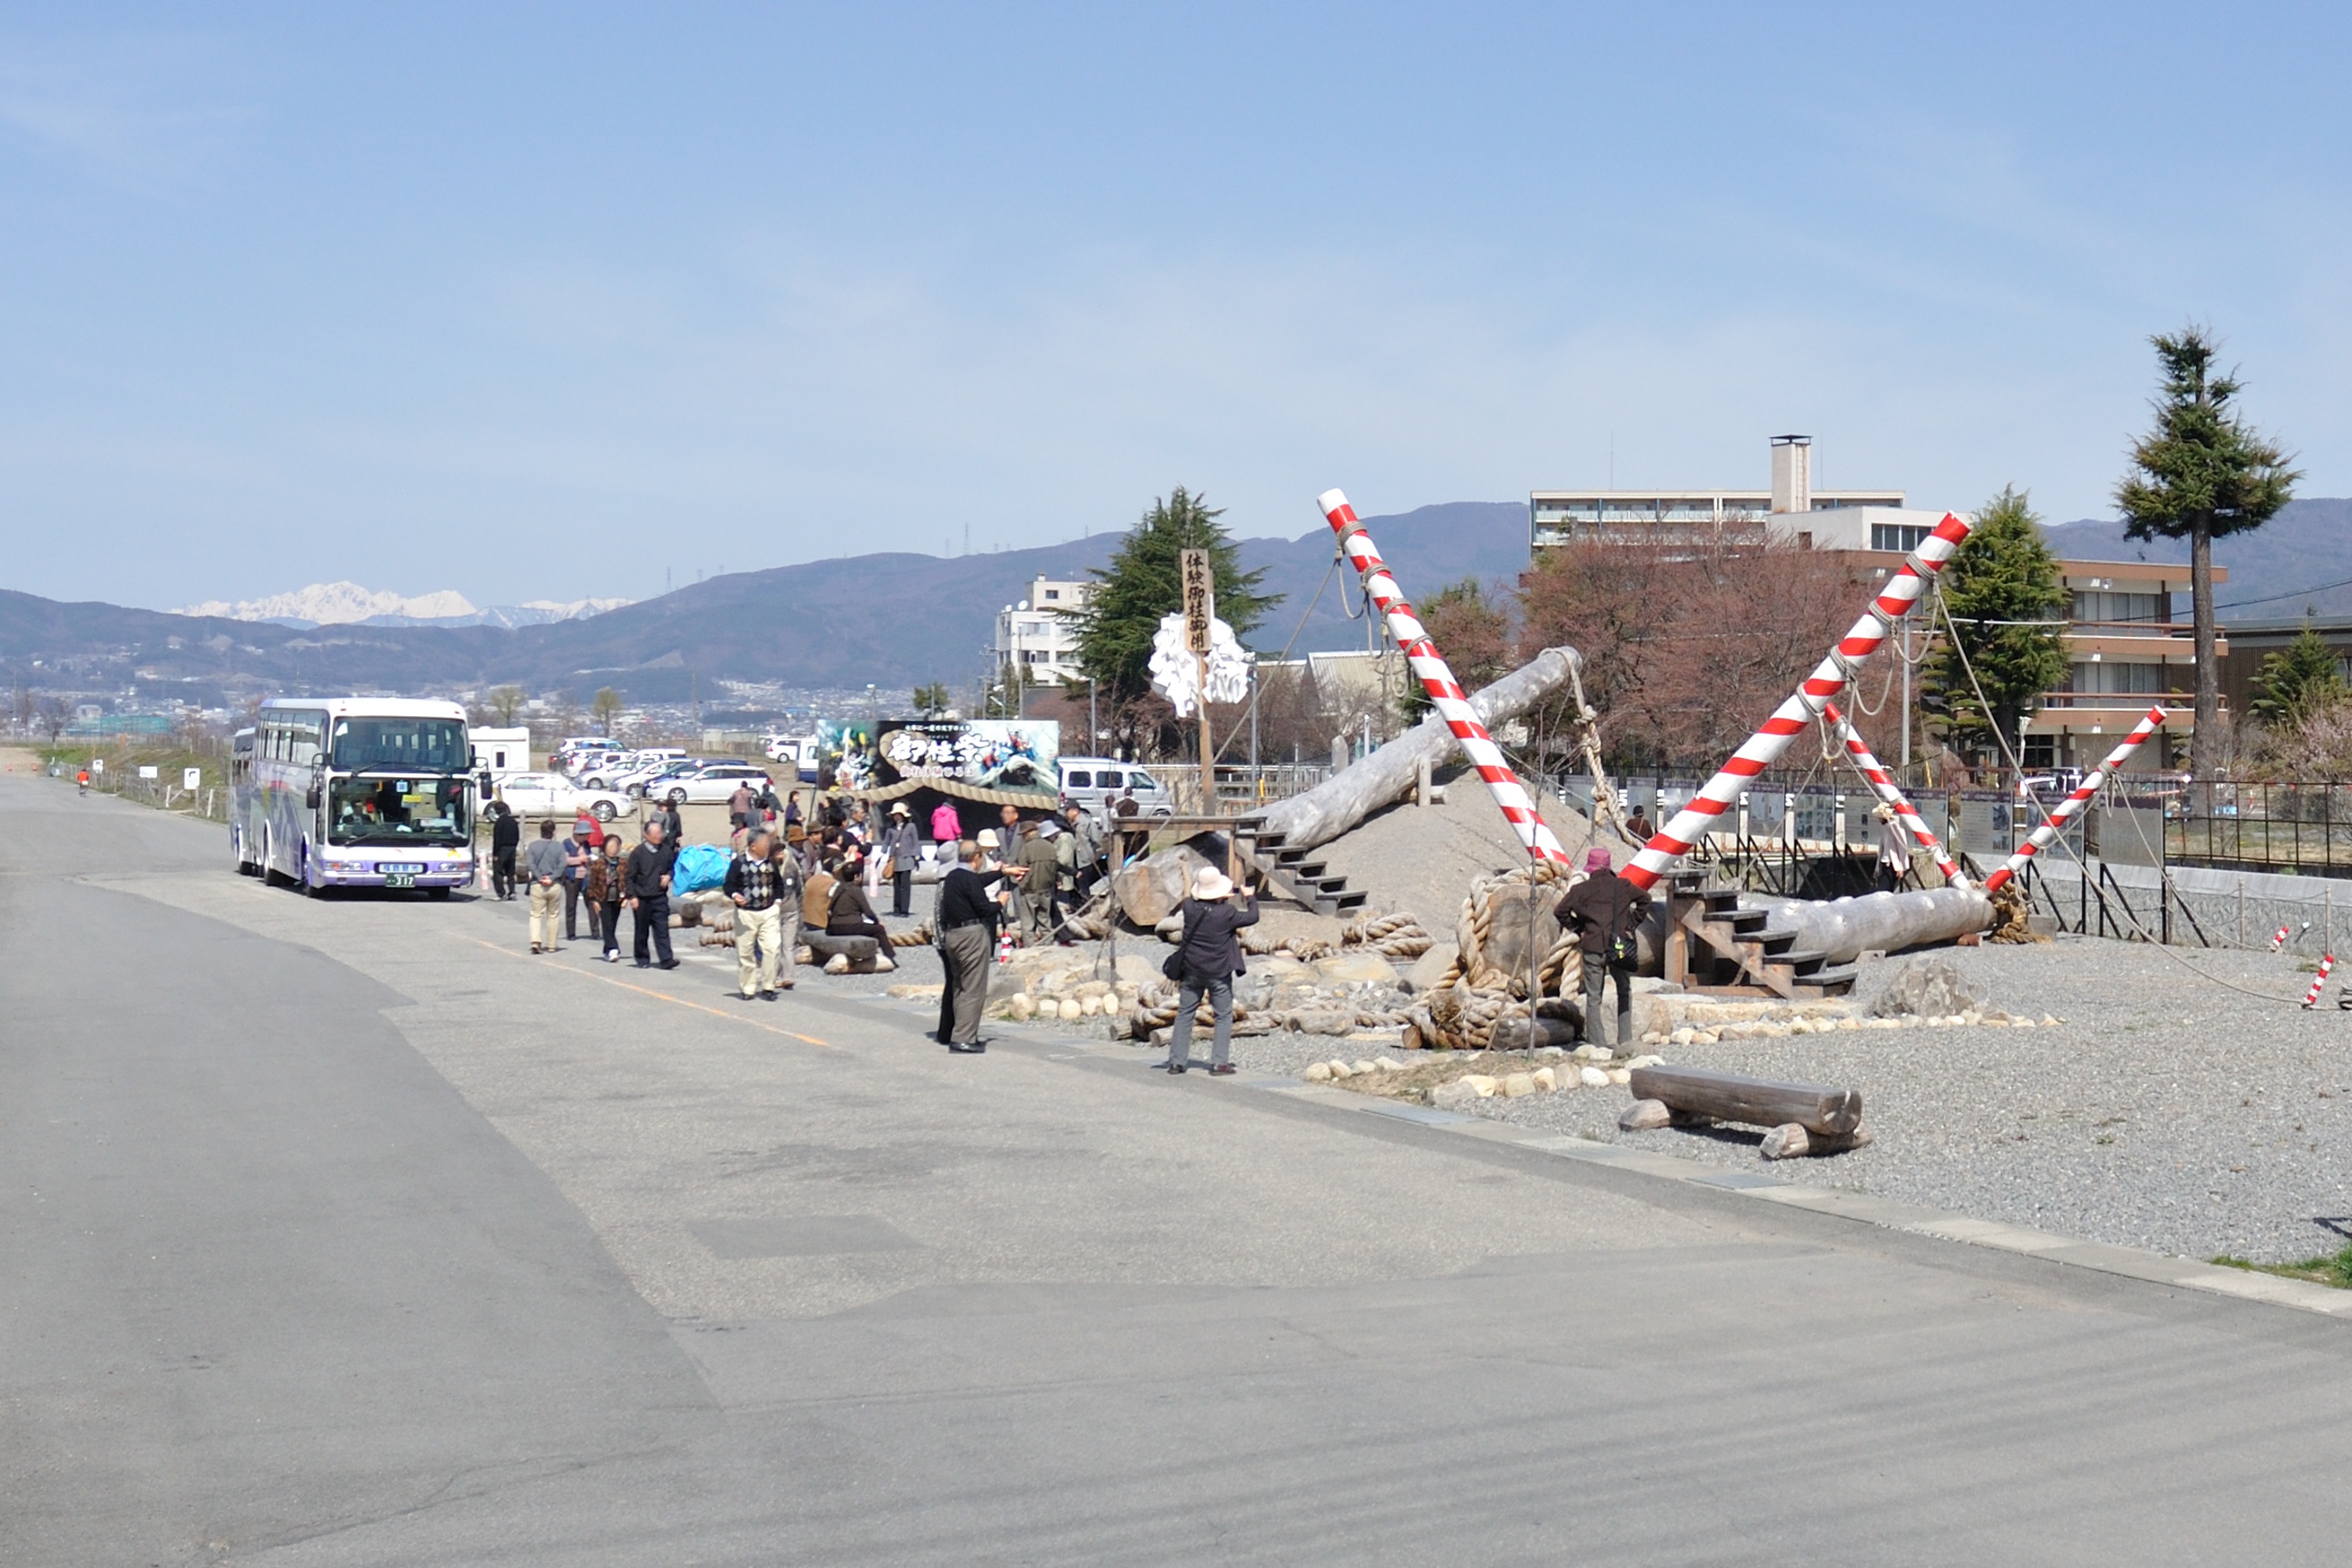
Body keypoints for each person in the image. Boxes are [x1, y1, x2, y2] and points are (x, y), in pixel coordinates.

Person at [1164, 866, 1260, 1076]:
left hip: (1191, 969)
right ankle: (1219, 1063)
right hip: (1218, 971)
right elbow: (1253, 917)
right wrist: (1249, 897)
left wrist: (1218, 896)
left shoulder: (1189, 907)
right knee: (1223, 1015)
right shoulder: (1227, 913)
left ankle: (1176, 1062)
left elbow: (1200, 904)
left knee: (1184, 1014)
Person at [1560, 847, 1651, 1051]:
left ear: (1590, 868)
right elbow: (1646, 900)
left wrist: (1578, 928)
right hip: (1619, 945)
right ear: (1609, 866)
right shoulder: (1623, 886)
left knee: (1594, 996)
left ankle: (1597, 1044)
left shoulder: (1580, 890)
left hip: (1592, 945)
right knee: (1624, 990)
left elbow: (1561, 911)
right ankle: (1625, 1040)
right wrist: (1631, 923)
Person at [935, 839, 1004, 1052]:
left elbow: (976, 882)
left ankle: (960, 1032)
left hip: (952, 935)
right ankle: (964, 1038)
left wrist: (1001, 872)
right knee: (973, 988)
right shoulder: (969, 879)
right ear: (976, 857)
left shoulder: (953, 877)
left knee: (959, 986)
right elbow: (984, 908)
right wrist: (1000, 902)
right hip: (971, 935)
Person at [725, 830, 789, 1000]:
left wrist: (777, 902)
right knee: (745, 953)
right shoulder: (738, 863)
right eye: (765, 844)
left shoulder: (771, 863)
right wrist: (734, 896)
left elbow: (778, 885)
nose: (768, 847)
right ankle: (748, 988)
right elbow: (728, 885)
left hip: (768, 911)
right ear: (753, 846)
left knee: (772, 949)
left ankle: (769, 986)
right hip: (746, 914)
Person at [625, 821, 679, 969]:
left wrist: (669, 876)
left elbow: (671, 869)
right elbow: (630, 877)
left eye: (660, 833)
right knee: (642, 931)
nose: (659, 836)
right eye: (655, 834)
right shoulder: (638, 853)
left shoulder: (666, 850)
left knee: (662, 929)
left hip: (659, 896)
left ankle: (666, 959)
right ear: (646, 835)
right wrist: (632, 896)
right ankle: (642, 958)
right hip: (642, 898)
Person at [1011, 818, 1058, 946]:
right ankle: (1048, 948)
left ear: (1027, 833)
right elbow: (1055, 868)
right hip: (1046, 890)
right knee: (1045, 922)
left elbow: (1021, 869)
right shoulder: (1050, 846)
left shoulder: (1026, 848)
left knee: (1028, 924)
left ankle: (1030, 951)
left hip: (1029, 890)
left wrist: (1021, 884)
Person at [524, 820, 569, 953]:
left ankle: (536, 942)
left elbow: (530, 864)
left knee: (536, 914)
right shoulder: (559, 847)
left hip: (537, 884)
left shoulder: (533, 846)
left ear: (540, 831)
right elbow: (562, 864)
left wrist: (539, 877)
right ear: (553, 832)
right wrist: (553, 877)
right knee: (553, 915)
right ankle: (552, 945)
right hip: (554, 885)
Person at [767, 834, 805, 990]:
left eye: (782, 851)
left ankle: (788, 977)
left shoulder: (791, 868)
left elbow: (799, 889)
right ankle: (774, 975)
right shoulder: (766, 868)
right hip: (771, 911)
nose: (781, 854)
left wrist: (799, 907)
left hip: (790, 910)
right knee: (774, 946)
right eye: (777, 851)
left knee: (788, 946)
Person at [826, 854, 889, 940]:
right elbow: (867, 911)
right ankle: (889, 954)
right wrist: (877, 921)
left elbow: (829, 908)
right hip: (852, 925)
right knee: (879, 930)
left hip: (834, 926)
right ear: (856, 877)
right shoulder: (856, 890)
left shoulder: (837, 887)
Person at [585, 834, 626, 963]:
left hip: (617, 897)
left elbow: (628, 881)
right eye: (611, 846)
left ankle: (607, 950)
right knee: (607, 924)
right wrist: (594, 900)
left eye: (616, 846)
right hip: (603, 897)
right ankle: (614, 949)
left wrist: (627, 897)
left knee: (612, 925)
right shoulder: (598, 864)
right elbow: (592, 883)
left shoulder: (623, 863)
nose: (613, 848)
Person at [880, 802, 922, 917]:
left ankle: (904, 910)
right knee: (896, 885)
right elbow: (886, 842)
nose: (897, 817)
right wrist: (881, 854)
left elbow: (915, 842)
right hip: (894, 858)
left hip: (907, 858)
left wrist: (916, 855)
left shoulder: (911, 827)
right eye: (895, 814)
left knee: (905, 885)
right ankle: (896, 908)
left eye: (899, 814)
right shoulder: (891, 828)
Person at [562, 819, 596, 942]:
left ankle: (595, 931)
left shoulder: (586, 845)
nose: (586, 838)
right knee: (571, 905)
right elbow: (565, 861)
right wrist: (579, 859)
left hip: (586, 877)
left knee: (591, 903)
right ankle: (571, 933)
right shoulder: (566, 844)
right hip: (572, 877)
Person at [1875, 803, 1911, 893]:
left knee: (1884, 891)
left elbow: (1901, 847)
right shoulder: (1885, 827)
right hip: (1885, 862)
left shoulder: (1896, 827)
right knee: (1884, 890)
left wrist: (1900, 867)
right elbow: (1882, 848)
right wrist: (1877, 867)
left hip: (1892, 865)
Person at [489, 801, 521, 900]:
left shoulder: (499, 822)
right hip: (512, 848)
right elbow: (517, 836)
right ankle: (512, 892)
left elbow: (497, 839)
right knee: (510, 872)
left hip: (502, 849)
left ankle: (501, 893)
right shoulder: (513, 821)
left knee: (498, 871)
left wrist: (495, 853)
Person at [1114, 787, 1144, 867]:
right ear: (1132, 793)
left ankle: (1123, 857)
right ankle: (1134, 857)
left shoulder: (1119, 804)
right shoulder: (1135, 804)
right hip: (1132, 829)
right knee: (1133, 843)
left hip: (1122, 828)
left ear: (1124, 793)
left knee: (1125, 844)